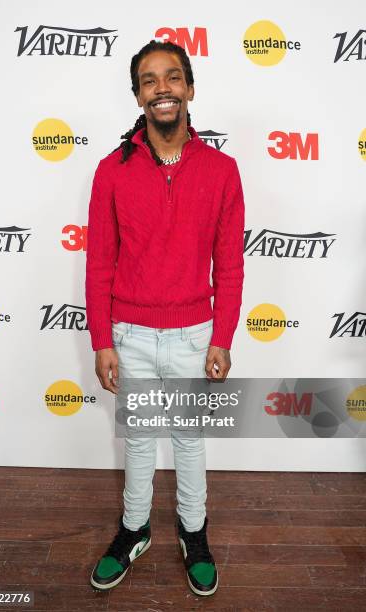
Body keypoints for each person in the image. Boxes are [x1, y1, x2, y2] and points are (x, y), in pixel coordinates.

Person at [85, 39, 245, 597]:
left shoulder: (222, 170)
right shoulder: (112, 170)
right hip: (128, 334)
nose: (162, 89)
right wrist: (102, 341)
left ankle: (194, 534)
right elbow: (100, 261)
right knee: (136, 441)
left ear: (190, 89)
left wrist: (221, 336)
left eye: (172, 77)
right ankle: (134, 530)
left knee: (189, 441)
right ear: (137, 95)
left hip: (194, 334)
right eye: (149, 81)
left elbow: (229, 264)